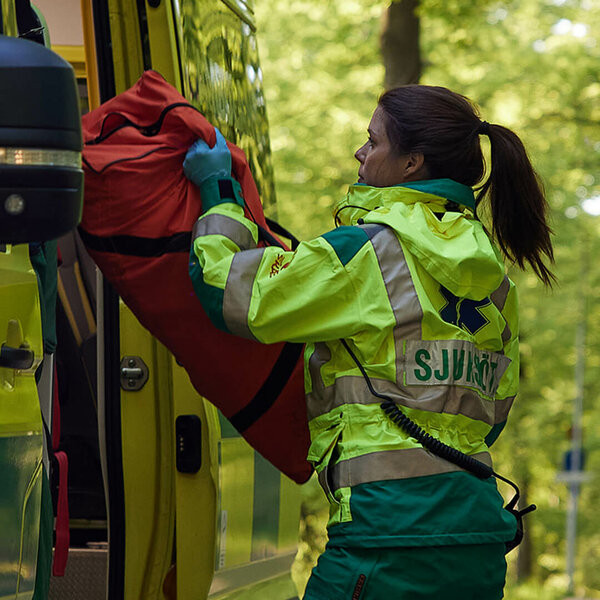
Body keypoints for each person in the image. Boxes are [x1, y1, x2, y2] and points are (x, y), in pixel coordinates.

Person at [183, 84, 554, 600]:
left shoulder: (369, 252)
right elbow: (490, 416)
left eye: (372, 141)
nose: (360, 153)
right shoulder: (493, 280)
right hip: (476, 539)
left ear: (411, 163)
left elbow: (230, 292)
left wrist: (219, 194)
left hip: (388, 538)